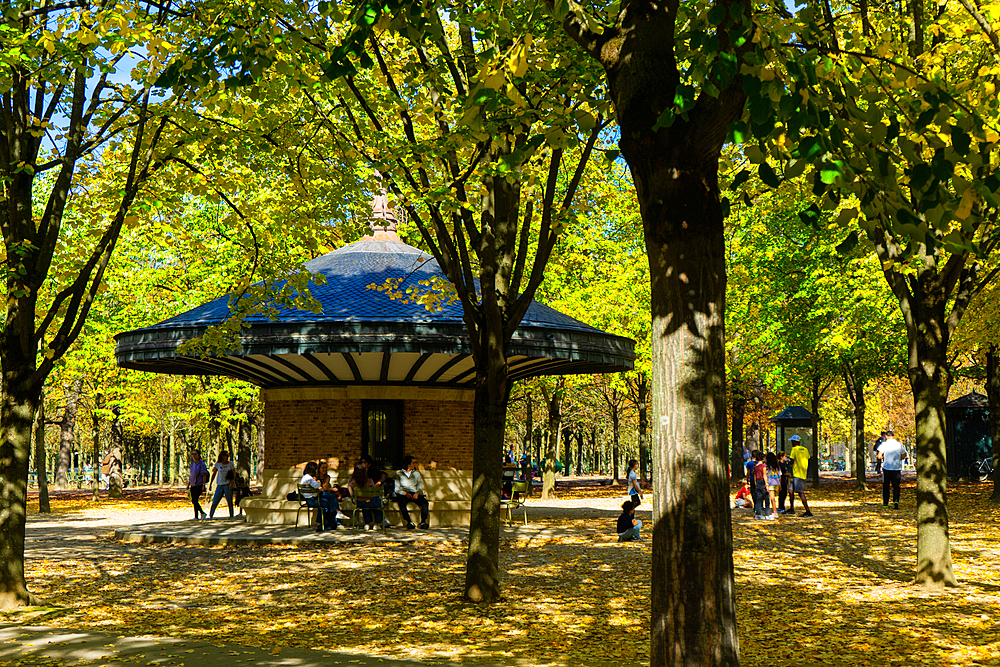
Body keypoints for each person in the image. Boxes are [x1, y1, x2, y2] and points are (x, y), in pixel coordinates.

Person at [300, 461, 339, 530]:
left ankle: (325, 524)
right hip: (312, 499)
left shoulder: (308, 477)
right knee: (330, 502)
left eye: (326, 468)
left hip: (315, 497)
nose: (325, 469)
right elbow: (318, 486)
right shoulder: (310, 478)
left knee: (329, 500)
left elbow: (322, 488)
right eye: (322, 468)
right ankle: (329, 523)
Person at [395, 454, 430, 529]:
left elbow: (420, 486)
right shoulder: (399, 474)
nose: (415, 464)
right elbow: (396, 489)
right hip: (404, 493)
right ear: (408, 464)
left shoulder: (416, 474)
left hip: (414, 493)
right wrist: (404, 493)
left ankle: (423, 522)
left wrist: (417, 493)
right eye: (413, 463)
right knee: (401, 503)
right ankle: (409, 522)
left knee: (425, 502)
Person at [348, 461, 384, 530]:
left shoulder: (351, 481)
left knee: (365, 505)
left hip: (359, 502)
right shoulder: (369, 480)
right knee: (377, 503)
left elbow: (351, 494)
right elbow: (374, 492)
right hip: (371, 501)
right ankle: (376, 524)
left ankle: (367, 524)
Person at [878, 430, 907, 509]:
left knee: (886, 485)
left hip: (887, 468)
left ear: (886, 436)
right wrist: (898, 460)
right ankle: (896, 502)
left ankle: (885, 503)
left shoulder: (884, 444)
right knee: (896, 486)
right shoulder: (899, 445)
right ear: (894, 436)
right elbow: (903, 455)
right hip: (896, 468)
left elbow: (879, 455)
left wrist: (884, 458)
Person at [789, 435, 813, 517]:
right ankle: (791, 508)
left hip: (797, 474)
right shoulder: (805, 449)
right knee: (790, 490)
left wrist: (789, 463)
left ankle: (808, 511)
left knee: (800, 493)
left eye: (792, 441)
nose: (791, 443)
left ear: (795, 442)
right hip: (803, 473)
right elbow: (808, 459)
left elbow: (792, 461)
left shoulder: (794, 449)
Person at [208, 451, 237, 519]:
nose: (226, 458)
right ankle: (211, 515)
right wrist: (211, 483)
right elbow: (214, 474)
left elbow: (234, 474)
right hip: (220, 484)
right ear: (222, 457)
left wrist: (232, 483)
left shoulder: (230, 464)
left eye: (227, 456)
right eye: (224, 456)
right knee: (215, 500)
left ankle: (231, 515)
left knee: (229, 500)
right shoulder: (217, 464)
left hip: (227, 484)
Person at [188, 449, 209, 520]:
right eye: (192, 454)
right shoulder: (193, 464)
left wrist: (203, 485)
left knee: (194, 499)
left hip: (199, 484)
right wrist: (188, 484)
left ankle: (202, 513)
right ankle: (196, 516)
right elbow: (191, 475)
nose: (193, 456)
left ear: (199, 455)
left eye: (195, 454)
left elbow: (204, 475)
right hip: (193, 484)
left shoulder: (202, 464)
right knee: (194, 500)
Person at [752, 451, 773, 520]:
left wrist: (755, 485)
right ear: (763, 458)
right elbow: (764, 475)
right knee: (766, 499)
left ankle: (758, 514)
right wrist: (766, 484)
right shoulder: (764, 466)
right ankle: (767, 514)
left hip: (758, 483)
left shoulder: (755, 466)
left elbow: (755, 476)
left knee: (759, 499)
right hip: (763, 482)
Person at [765, 452, 781, 518]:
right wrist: (780, 484)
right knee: (774, 497)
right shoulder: (777, 466)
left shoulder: (767, 466)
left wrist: (766, 484)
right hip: (777, 482)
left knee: (772, 498)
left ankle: (775, 511)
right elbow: (780, 475)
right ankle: (775, 510)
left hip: (770, 482)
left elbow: (765, 475)